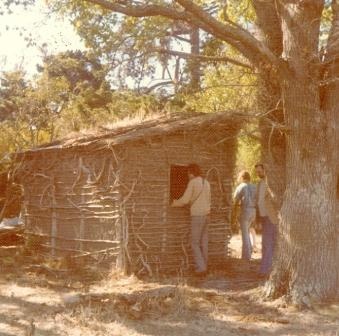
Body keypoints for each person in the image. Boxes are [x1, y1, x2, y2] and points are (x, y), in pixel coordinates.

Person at [171, 163, 211, 277]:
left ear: (191, 172)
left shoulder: (193, 182)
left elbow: (185, 200)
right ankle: (205, 266)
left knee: (194, 243)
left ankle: (201, 268)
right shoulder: (206, 182)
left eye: (188, 173)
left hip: (197, 215)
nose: (188, 175)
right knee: (204, 242)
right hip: (207, 215)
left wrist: (174, 203)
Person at [255, 163, 278, 278]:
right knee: (265, 244)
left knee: (268, 244)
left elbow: (275, 199)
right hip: (263, 217)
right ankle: (266, 269)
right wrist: (258, 219)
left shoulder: (272, 183)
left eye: (259, 171)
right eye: (257, 172)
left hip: (271, 217)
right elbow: (257, 202)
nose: (258, 174)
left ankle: (265, 271)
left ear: (265, 170)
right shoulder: (259, 184)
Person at [233, 170, 257, 261]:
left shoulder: (241, 186)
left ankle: (246, 256)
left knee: (245, 234)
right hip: (253, 211)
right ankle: (249, 251)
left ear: (242, 177)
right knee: (247, 231)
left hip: (245, 210)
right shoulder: (254, 186)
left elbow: (235, 198)